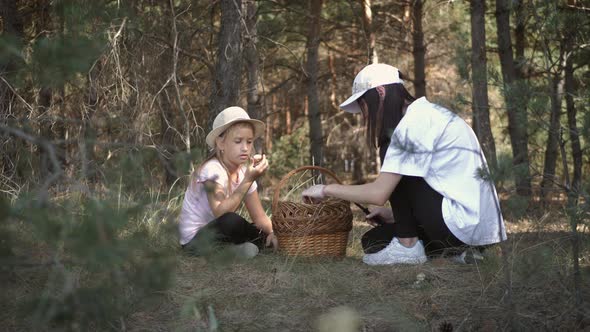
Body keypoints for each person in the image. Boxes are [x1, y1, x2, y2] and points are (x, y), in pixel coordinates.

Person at [302, 63, 507, 265]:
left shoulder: (413, 124)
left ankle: (407, 244)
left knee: (388, 146)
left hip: (460, 226)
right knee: (374, 241)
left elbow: (378, 194)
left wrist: (325, 189)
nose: (365, 116)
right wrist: (394, 215)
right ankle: (460, 255)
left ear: (380, 92)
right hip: (475, 229)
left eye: (364, 106)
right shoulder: (429, 114)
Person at [178, 106, 278, 258]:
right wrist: (248, 180)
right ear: (221, 143)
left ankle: (233, 251)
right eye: (238, 141)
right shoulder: (212, 170)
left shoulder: (244, 171)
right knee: (232, 221)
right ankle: (249, 246)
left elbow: (259, 216)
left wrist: (271, 232)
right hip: (195, 241)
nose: (245, 148)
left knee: (256, 228)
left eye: (249, 142)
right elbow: (220, 212)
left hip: (221, 234)